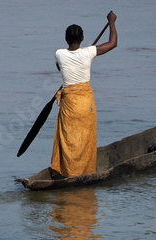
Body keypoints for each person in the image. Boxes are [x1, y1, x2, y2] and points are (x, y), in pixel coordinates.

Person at [50, 11, 118, 179]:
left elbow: (60, 68)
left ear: (66, 39)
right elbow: (113, 43)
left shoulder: (59, 53)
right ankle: (84, 172)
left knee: (68, 139)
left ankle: (67, 172)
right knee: (85, 139)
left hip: (70, 104)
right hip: (86, 103)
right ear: (81, 39)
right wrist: (111, 22)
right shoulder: (88, 52)